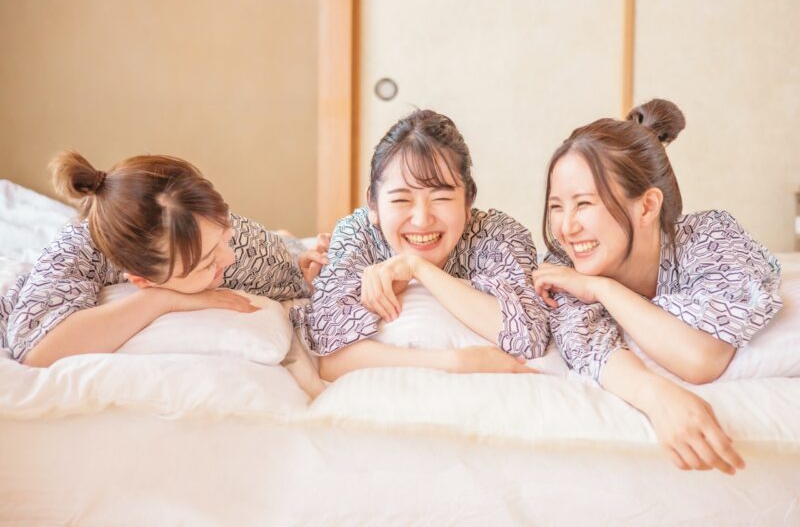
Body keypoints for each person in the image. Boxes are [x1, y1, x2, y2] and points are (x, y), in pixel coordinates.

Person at [532, 99, 782, 474]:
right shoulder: (561, 272)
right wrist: (656, 396)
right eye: (556, 207)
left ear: (647, 207)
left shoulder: (712, 238)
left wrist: (603, 290)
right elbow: (591, 349)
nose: (566, 228)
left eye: (583, 204)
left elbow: (702, 359)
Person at [1, 152, 318, 367]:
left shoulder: (226, 237)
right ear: (141, 279)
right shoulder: (73, 252)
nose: (229, 256)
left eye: (225, 234)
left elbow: (283, 267)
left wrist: (304, 265)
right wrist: (162, 300)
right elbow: (36, 351)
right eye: (207, 263)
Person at [298, 109, 549, 381]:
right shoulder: (356, 233)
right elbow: (333, 358)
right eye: (401, 200)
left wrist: (418, 268)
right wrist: (456, 362)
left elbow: (529, 337)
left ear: (468, 203)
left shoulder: (499, 234)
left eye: (441, 198)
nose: (421, 220)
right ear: (373, 205)